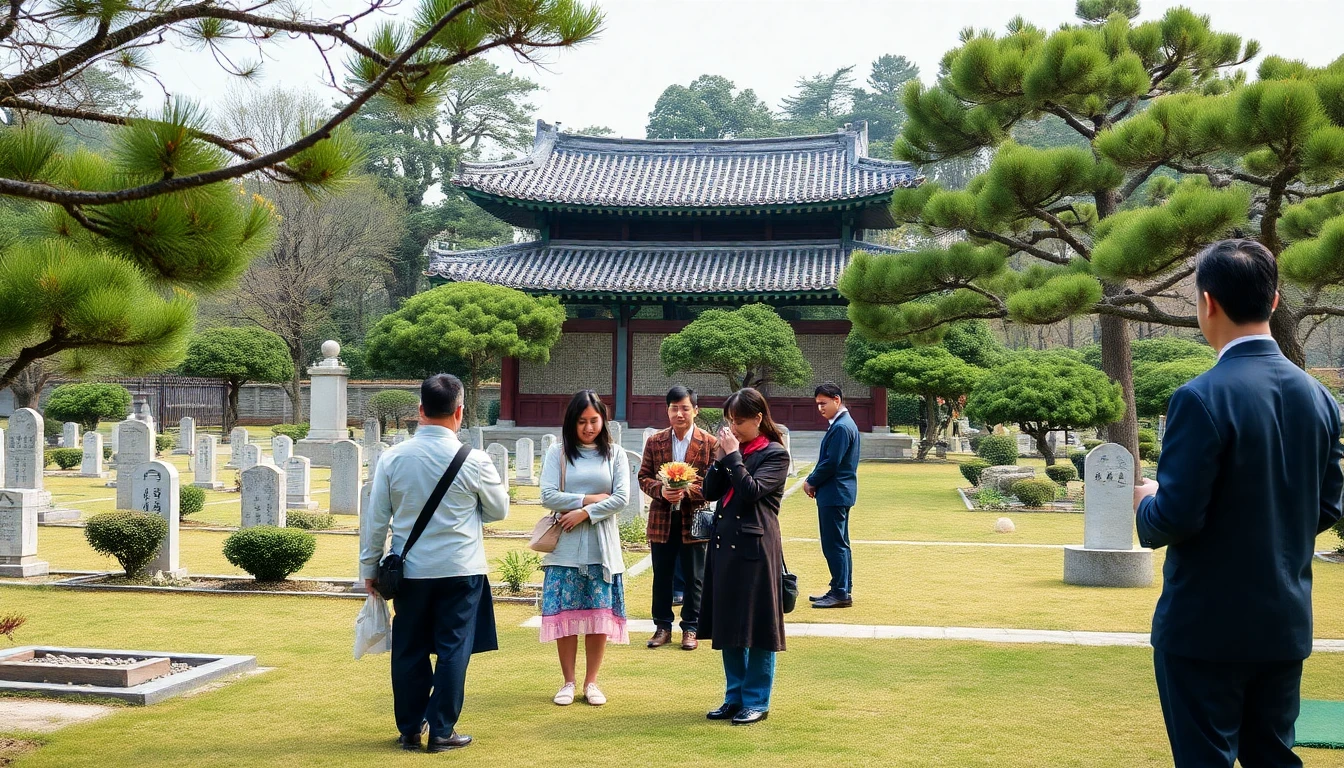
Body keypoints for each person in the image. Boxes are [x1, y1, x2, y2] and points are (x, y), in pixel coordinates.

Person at [1133, 239, 1344, 768]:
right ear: (1274, 301)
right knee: (1274, 759)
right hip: (1283, 624)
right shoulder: (1321, 399)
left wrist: (1144, 503)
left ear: (1207, 302)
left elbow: (1175, 516)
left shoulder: (1200, 397)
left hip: (1204, 628)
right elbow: (1328, 505)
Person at [360, 374, 510, 753]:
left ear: (420, 410)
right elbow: (498, 510)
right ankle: (442, 729)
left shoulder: (393, 458)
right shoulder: (475, 460)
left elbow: (376, 519)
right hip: (461, 568)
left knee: (409, 648)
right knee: (453, 647)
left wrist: (369, 569)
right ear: (459, 412)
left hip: (410, 570)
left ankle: (410, 727)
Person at [699, 387, 790, 726]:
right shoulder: (731, 452)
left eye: (739, 421)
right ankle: (733, 697)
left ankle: (756, 700)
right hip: (724, 547)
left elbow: (751, 491)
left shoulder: (775, 454)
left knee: (759, 626)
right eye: (729, 421)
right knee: (728, 624)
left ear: (758, 418)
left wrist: (733, 456)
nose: (732, 427)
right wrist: (720, 460)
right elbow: (709, 492)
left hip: (756, 550)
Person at [538, 390, 630, 707]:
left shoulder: (615, 454)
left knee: (597, 617)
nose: (589, 428)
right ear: (572, 422)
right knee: (566, 617)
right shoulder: (558, 453)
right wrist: (589, 499)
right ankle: (568, 681)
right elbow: (548, 495)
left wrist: (584, 514)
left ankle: (591, 682)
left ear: (603, 420)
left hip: (602, 548)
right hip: (564, 549)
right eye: (582, 422)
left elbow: (621, 498)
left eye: (594, 420)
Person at [637, 385, 718, 650]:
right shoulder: (655, 441)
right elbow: (644, 476)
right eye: (674, 408)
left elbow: (714, 483)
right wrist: (661, 490)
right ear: (667, 410)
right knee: (662, 574)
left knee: (695, 576)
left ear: (696, 410)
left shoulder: (709, 443)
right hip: (662, 517)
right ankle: (662, 627)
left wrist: (687, 491)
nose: (679, 413)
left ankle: (691, 628)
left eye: (685, 408)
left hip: (693, 518)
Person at [803, 382, 860, 608]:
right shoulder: (843, 424)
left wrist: (810, 480)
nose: (820, 408)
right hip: (838, 492)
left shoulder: (841, 427)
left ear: (837, 400)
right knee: (840, 543)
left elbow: (831, 463)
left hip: (835, 492)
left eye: (823, 403)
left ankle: (840, 592)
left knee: (833, 544)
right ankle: (841, 587)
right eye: (817, 404)